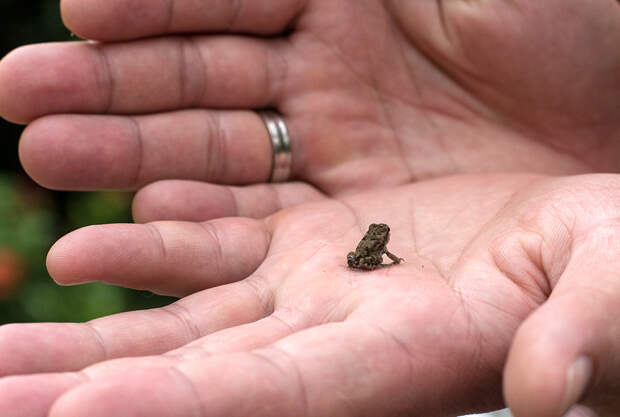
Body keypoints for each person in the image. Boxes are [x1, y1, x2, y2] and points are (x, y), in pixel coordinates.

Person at [0, 0, 619, 416]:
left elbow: (380, 251)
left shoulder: (378, 242)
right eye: (376, 237)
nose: (377, 237)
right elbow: (369, 255)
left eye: (378, 237)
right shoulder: (370, 246)